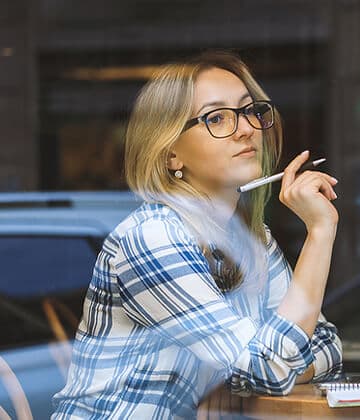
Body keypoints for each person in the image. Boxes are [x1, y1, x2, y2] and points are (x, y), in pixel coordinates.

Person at [52, 51, 343, 418]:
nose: (246, 128)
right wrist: (319, 231)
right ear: (171, 153)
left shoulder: (251, 239)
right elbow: (269, 369)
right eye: (217, 117)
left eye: (250, 110)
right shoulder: (153, 237)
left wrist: (248, 377)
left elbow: (326, 345)